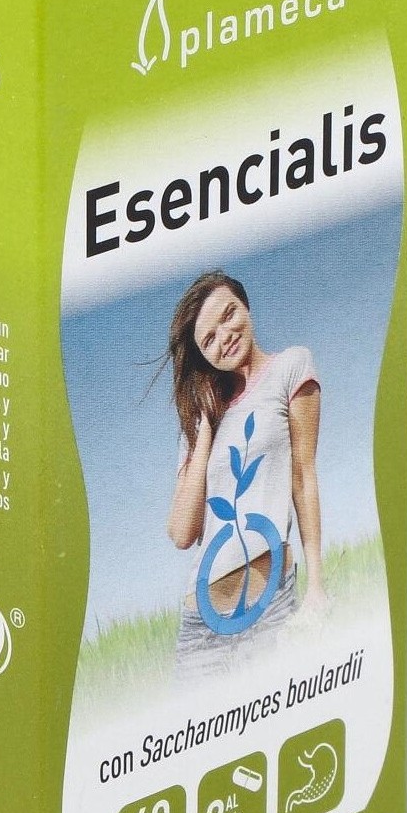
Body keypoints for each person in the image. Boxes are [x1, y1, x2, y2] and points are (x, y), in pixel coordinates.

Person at [165, 271, 324, 669]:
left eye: (228, 314)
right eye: (208, 340)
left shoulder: (291, 366)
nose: (225, 336)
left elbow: (303, 478)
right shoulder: (197, 422)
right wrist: (204, 430)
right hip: (200, 628)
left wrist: (316, 587)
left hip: (270, 608)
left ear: (246, 306)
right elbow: (182, 533)